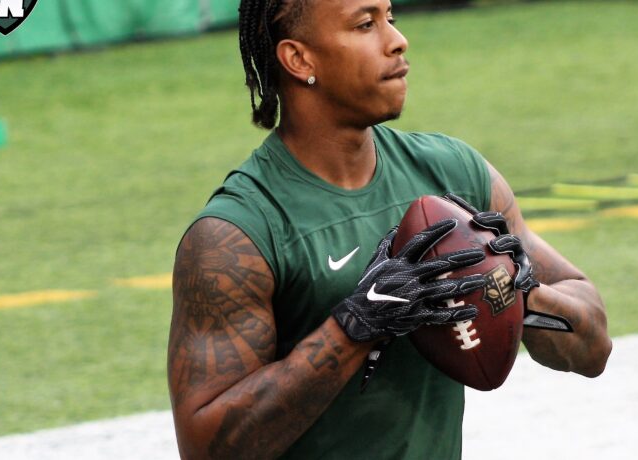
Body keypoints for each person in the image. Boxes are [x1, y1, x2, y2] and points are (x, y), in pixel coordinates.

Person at [167, 0, 612, 458]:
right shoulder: (236, 233)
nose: (398, 40)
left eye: (390, 18)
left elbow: (594, 348)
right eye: (365, 24)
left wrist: (520, 291)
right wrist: (355, 327)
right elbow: (205, 449)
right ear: (300, 59)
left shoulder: (454, 176)